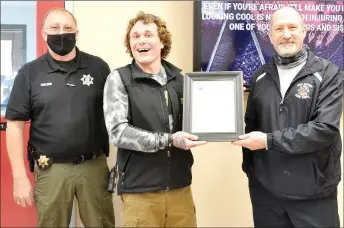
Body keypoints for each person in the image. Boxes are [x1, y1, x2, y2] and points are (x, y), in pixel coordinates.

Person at [232, 6, 343, 228]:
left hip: (314, 194)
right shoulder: (260, 77)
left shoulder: (328, 73)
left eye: (292, 27)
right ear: (270, 36)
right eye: (279, 29)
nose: (286, 34)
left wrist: (268, 140)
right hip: (267, 196)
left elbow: (324, 129)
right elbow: (250, 123)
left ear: (303, 31)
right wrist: (251, 173)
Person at [5, 8, 115, 227]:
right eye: (54, 28)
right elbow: (15, 126)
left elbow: (115, 115)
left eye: (67, 28)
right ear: (44, 34)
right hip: (51, 169)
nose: (61, 33)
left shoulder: (99, 68)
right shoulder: (29, 73)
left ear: (76, 33)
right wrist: (19, 177)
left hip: (93, 166)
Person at [103, 11, 207, 227]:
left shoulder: (180, 80)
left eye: (148, 34)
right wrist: (169, 140)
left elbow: (195, 121)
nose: (141, 40)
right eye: (135, 36)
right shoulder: (119, 79)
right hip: (140, 193)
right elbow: (118, 133)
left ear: (162, 42)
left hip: (180, 188)